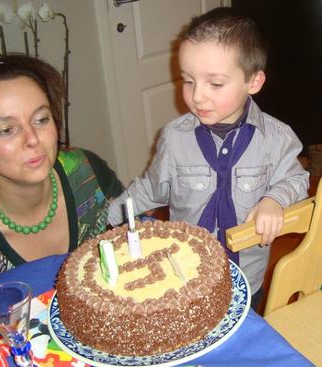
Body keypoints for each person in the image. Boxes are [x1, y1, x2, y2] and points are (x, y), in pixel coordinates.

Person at [108, 7, 309, 309]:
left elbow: (296, 178)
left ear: (253, 82)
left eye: (214, 84)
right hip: (185, 278)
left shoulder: (277, 139)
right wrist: (107, 218)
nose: (197, 96)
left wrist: (275, 200)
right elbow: (150, 189)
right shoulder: (175, 139)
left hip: (248, 280)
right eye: (188, 80)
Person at [0, 54, 124, 282]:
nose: (32, 139)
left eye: (41, 119)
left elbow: (135, 241)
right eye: (6, 130)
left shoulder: (87, 174)